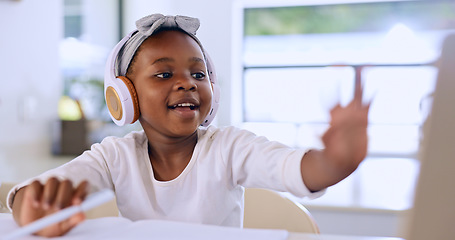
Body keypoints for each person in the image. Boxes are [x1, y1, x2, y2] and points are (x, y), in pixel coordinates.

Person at [7, 14, 370, 237]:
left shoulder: (229, 148)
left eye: (198, 73)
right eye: (164, 74)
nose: (187, 83)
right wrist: (33, 206)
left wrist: (337, 160)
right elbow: (41, 191)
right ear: (125, 96)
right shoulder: (114, 156)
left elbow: (294, 169)